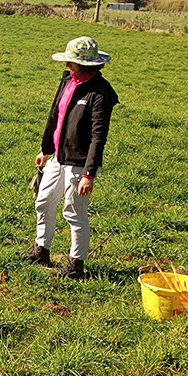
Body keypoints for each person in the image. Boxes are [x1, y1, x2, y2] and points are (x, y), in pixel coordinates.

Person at [22, 36, 119, 279]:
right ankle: (41, 250)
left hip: (79, 164)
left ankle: (76, 265)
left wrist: (89, 173)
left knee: (74, 213)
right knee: (43, 202)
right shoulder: (68, 80)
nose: (67, 66)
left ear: (87, 65)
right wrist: (46, 149)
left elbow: (99, 136)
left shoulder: (100, 93)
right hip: (58, 156)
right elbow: (56, 114)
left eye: (72, 62)